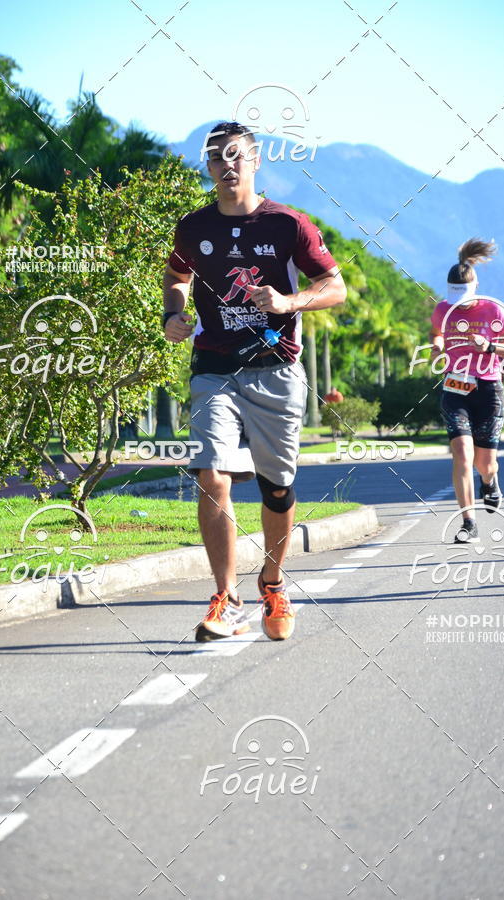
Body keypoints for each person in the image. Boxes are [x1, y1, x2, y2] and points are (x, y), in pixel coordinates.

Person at [163, 121, 346, 641]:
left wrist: (291, 301)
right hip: (214, 367)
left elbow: (335, 287)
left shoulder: (288, 224)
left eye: (236, 155)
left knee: (277, 487)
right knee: (211, 473)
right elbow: (177, 279)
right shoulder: (193, 227)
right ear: (209, 167)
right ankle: (226, 597)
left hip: (276, 369)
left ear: (255, 160)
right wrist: (172, 315)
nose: (227, 165)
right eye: (217, 157)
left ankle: (272, 581)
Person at [430, 238, 504, 543]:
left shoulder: (493, 311)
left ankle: (490, 481)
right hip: (455, 387)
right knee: (462, 454)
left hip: (488, 388)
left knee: (485, 463)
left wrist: (491, 346)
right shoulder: (443, 308)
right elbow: (437, 332)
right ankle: (468, 523)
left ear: (476, 286)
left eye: (464, 296)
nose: (460, 303)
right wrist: (437, 345)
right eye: (455, 296)